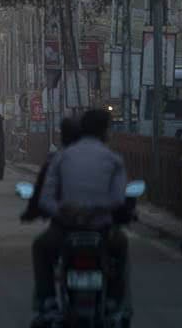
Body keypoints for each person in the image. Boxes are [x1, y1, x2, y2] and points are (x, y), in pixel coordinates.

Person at [31, 109, 129, 326]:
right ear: (105, 132)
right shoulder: (113, 160)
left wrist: (67, 211)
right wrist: (94, 210)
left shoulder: (63, 157)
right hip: (100, 229)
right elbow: (117, 199)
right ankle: (113, 300)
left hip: (67, 228)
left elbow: (46, 200)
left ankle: (48, 301)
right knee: (121, 246)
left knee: (41, 246)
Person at [21, 117, 81, 223]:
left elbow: (42, 197)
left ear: (62, 137)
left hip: (65, 219)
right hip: (101, 223)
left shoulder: (56, 160)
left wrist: (31, 213)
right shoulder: (107, 158)